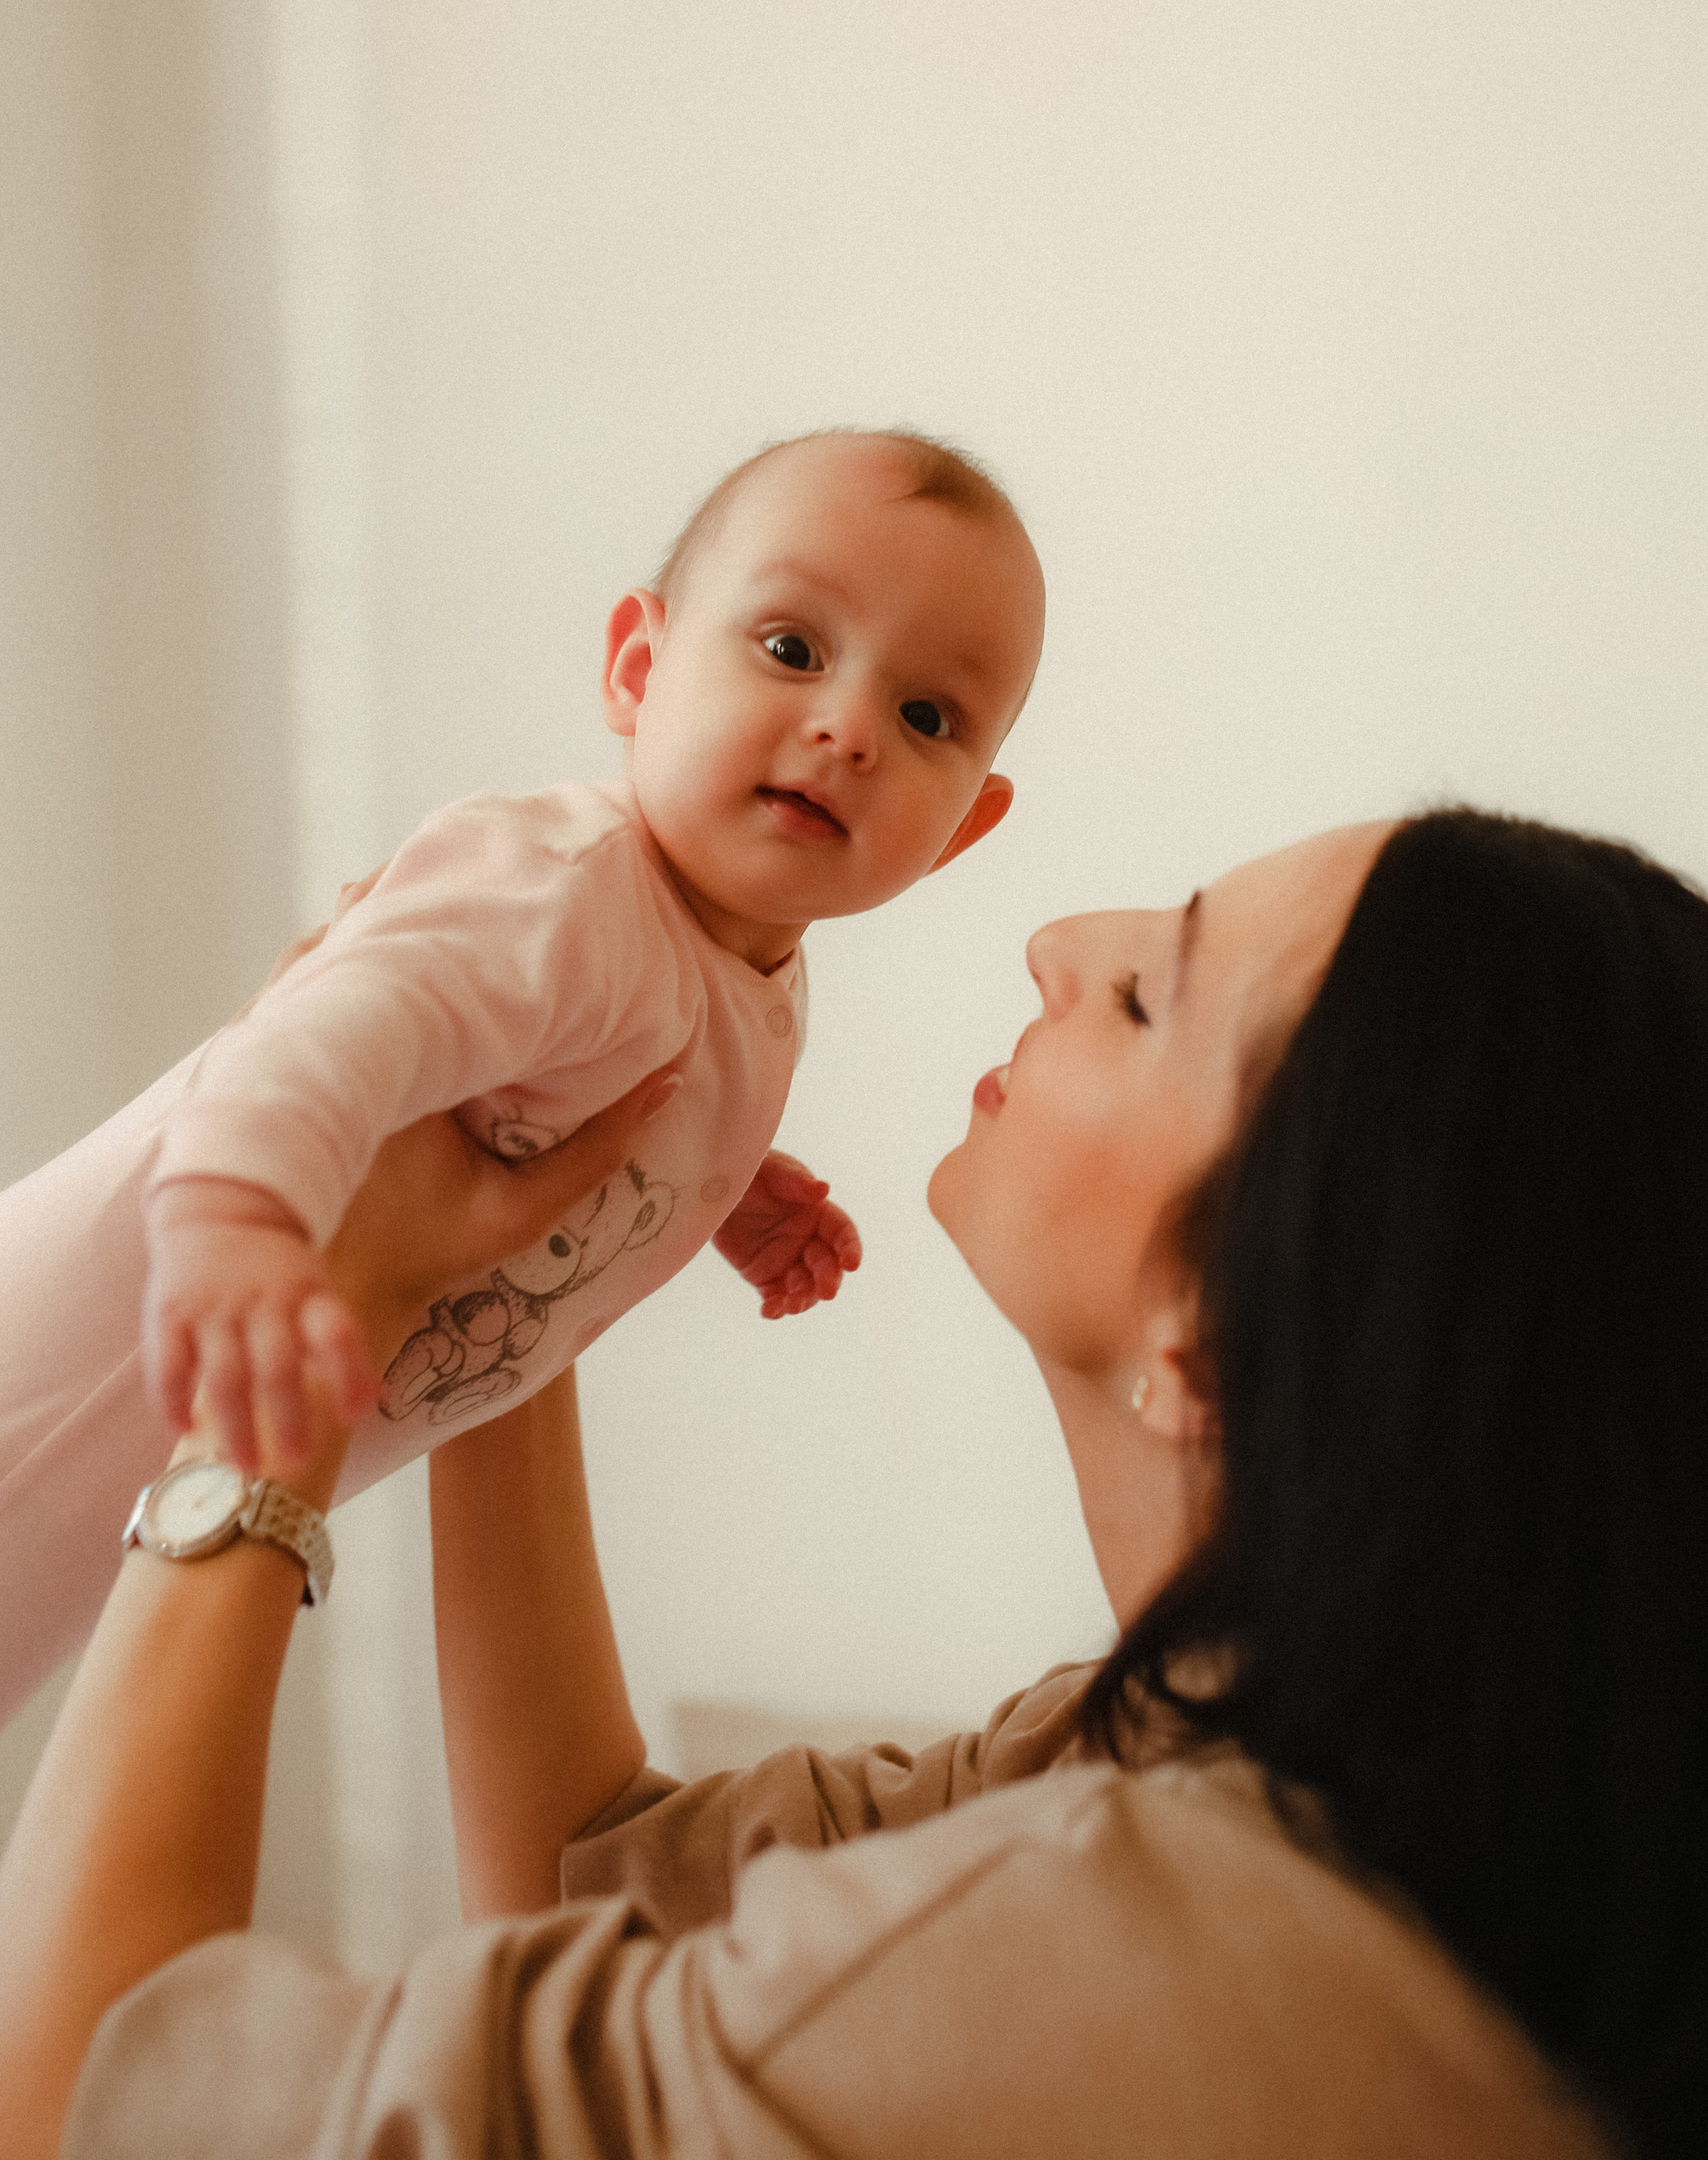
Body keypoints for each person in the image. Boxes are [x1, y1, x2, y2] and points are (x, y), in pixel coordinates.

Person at [3, 807, 1704, 2158]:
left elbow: (73, 2102)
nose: (1055, 944)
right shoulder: (1219, 1740)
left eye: (1142, 997)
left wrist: (290, 1364)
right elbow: (591, 1871)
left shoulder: (1108, 1957)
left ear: (1222, 1324)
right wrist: (524, 1253)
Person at [0, 428, 1047, 1722]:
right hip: (77, 1368)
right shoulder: (559, 894)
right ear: (638, 666)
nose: (847, 730)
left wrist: (715, 1189)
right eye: (790, 650)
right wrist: (237, 1220)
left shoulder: (739, 961)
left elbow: (569, 1098)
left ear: (963, 831)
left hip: (150, 1476)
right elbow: (324, 1037)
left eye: (925, 715)